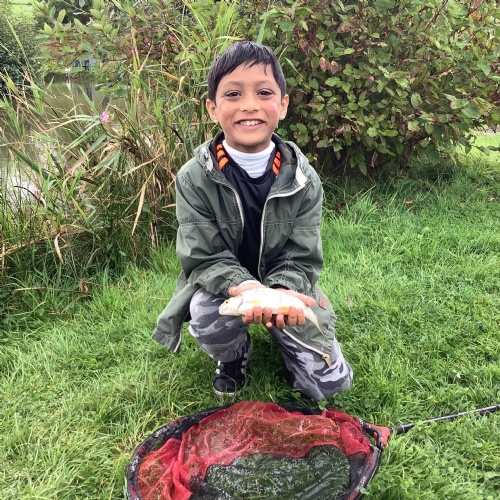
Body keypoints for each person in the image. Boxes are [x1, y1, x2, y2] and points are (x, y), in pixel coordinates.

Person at [152, 41, 353, 401]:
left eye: (264, 93)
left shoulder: (304, 178)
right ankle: (233, 355)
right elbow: (204, 257)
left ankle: (295, 339)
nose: (249, 105)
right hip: (227, 287)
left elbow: (301, 255)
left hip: (284, 288)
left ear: (283, 105)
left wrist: (281, 291)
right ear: (213, 109)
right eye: (233, 94)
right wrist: (245, 288)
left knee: (328, 387)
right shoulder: (192, 178)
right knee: (204, 312)